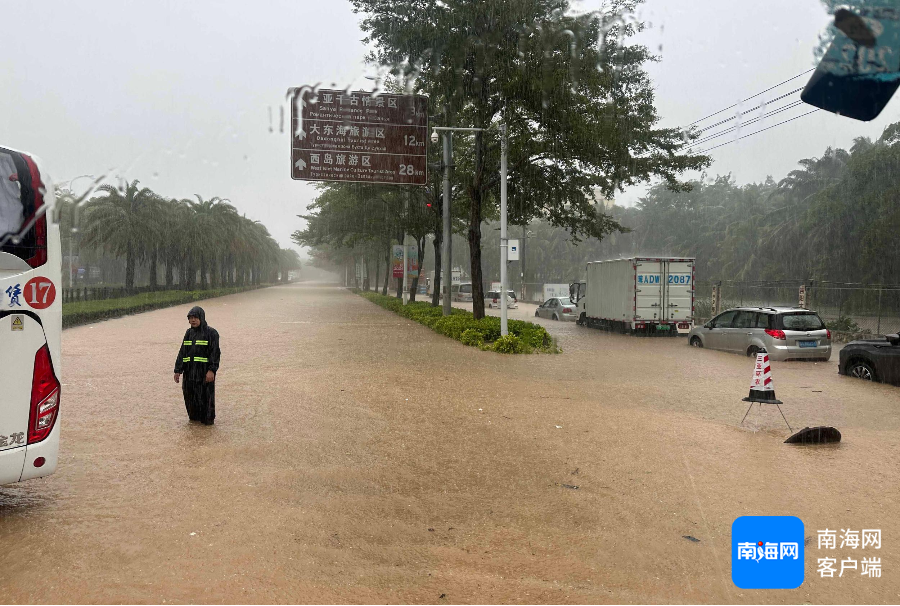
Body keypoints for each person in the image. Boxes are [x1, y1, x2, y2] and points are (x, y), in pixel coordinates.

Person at [174, 306, 220, 425]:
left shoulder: (212, 333)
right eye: (190, 318)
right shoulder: (189, 333)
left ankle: (208, 425)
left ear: (201, 318)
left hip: (204, 374)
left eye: (195, 318)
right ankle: (194, 428)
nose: (193, 320)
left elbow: (215, 353)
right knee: (190, 400)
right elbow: (183, 351)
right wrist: (178, 370)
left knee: (206, 400)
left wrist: (212, 370)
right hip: (189, 374)